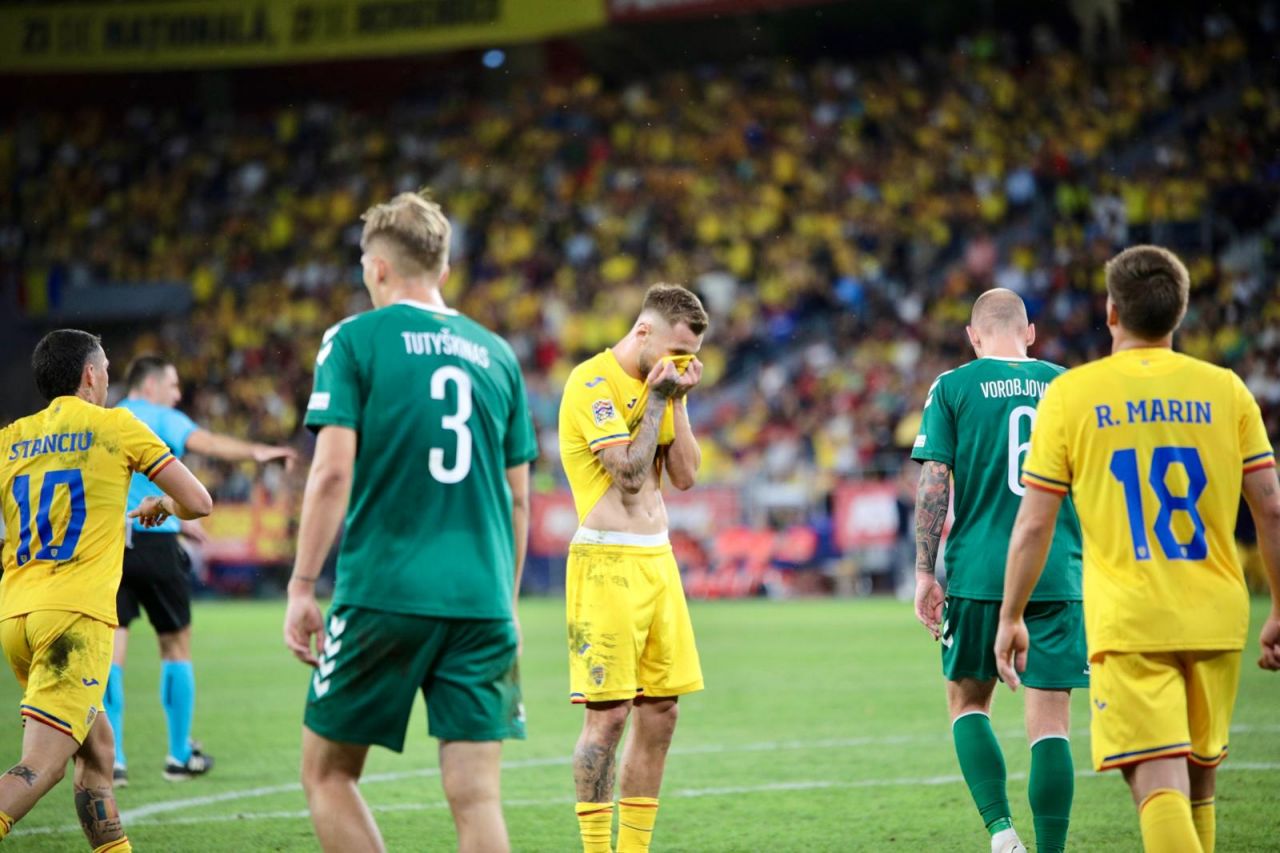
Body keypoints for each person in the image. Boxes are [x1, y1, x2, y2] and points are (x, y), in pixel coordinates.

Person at [996, 245, 1280, 852]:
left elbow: (1034, 525)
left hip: (1131, 623)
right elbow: (1272, 508)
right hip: (1218, 614)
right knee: (1199, 788)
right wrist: (1278, 609)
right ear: (1177, 313)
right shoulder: (1227, 391)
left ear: (1111, 312)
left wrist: (1012, 615)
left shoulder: (1074, 395)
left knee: (1158, 785)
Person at [283, 192, 536, 853]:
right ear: (444, 268)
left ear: (375, 268)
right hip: (482, 599)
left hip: (384, 591)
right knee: (477, 795)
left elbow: (333, 472)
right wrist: (504, 605)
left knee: (328, 771)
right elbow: (519, 500)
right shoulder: (497, 354)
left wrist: (302, 583)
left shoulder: (353, 339)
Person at [0, 329, 212, 849]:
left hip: (16, 617)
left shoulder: (10, 438)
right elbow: (199, 502)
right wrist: (161, 506)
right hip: (75, 620)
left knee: (97, 751)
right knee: (43, 766)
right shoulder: (117, 427)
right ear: (90, 375)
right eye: (107, 372)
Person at [912, 289, 1087, 853]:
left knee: (967, 703)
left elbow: (933, 483)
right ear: (1030, 332)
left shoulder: (953, 387)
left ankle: (1003, 834)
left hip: (980, 573)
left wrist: (923, 572)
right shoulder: (1069, 386)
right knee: (1052, 724)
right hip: (1056, 572)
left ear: (973, 336)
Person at [559, 283, 707, 853]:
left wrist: (679, 398)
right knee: (609, 719)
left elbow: (687, 476)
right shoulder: (590, 381)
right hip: (605, 562)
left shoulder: (667, 385)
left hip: (657, 560)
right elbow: (626, 471)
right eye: (675, 351)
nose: (682, 364)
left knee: (661, 712)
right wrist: (657, 396)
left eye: (690, 356)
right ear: (643, 331)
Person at [105, 355, 295, 785]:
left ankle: (113, 758)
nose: (177, 395)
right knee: (175, 647)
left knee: (112, 652)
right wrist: (257, 452)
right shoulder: (161, 417)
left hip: (115, 544)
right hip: (156, 544)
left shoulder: (109, 419)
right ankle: (177, 756)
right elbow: (206, 443)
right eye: (173, 385)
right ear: (151, 385)